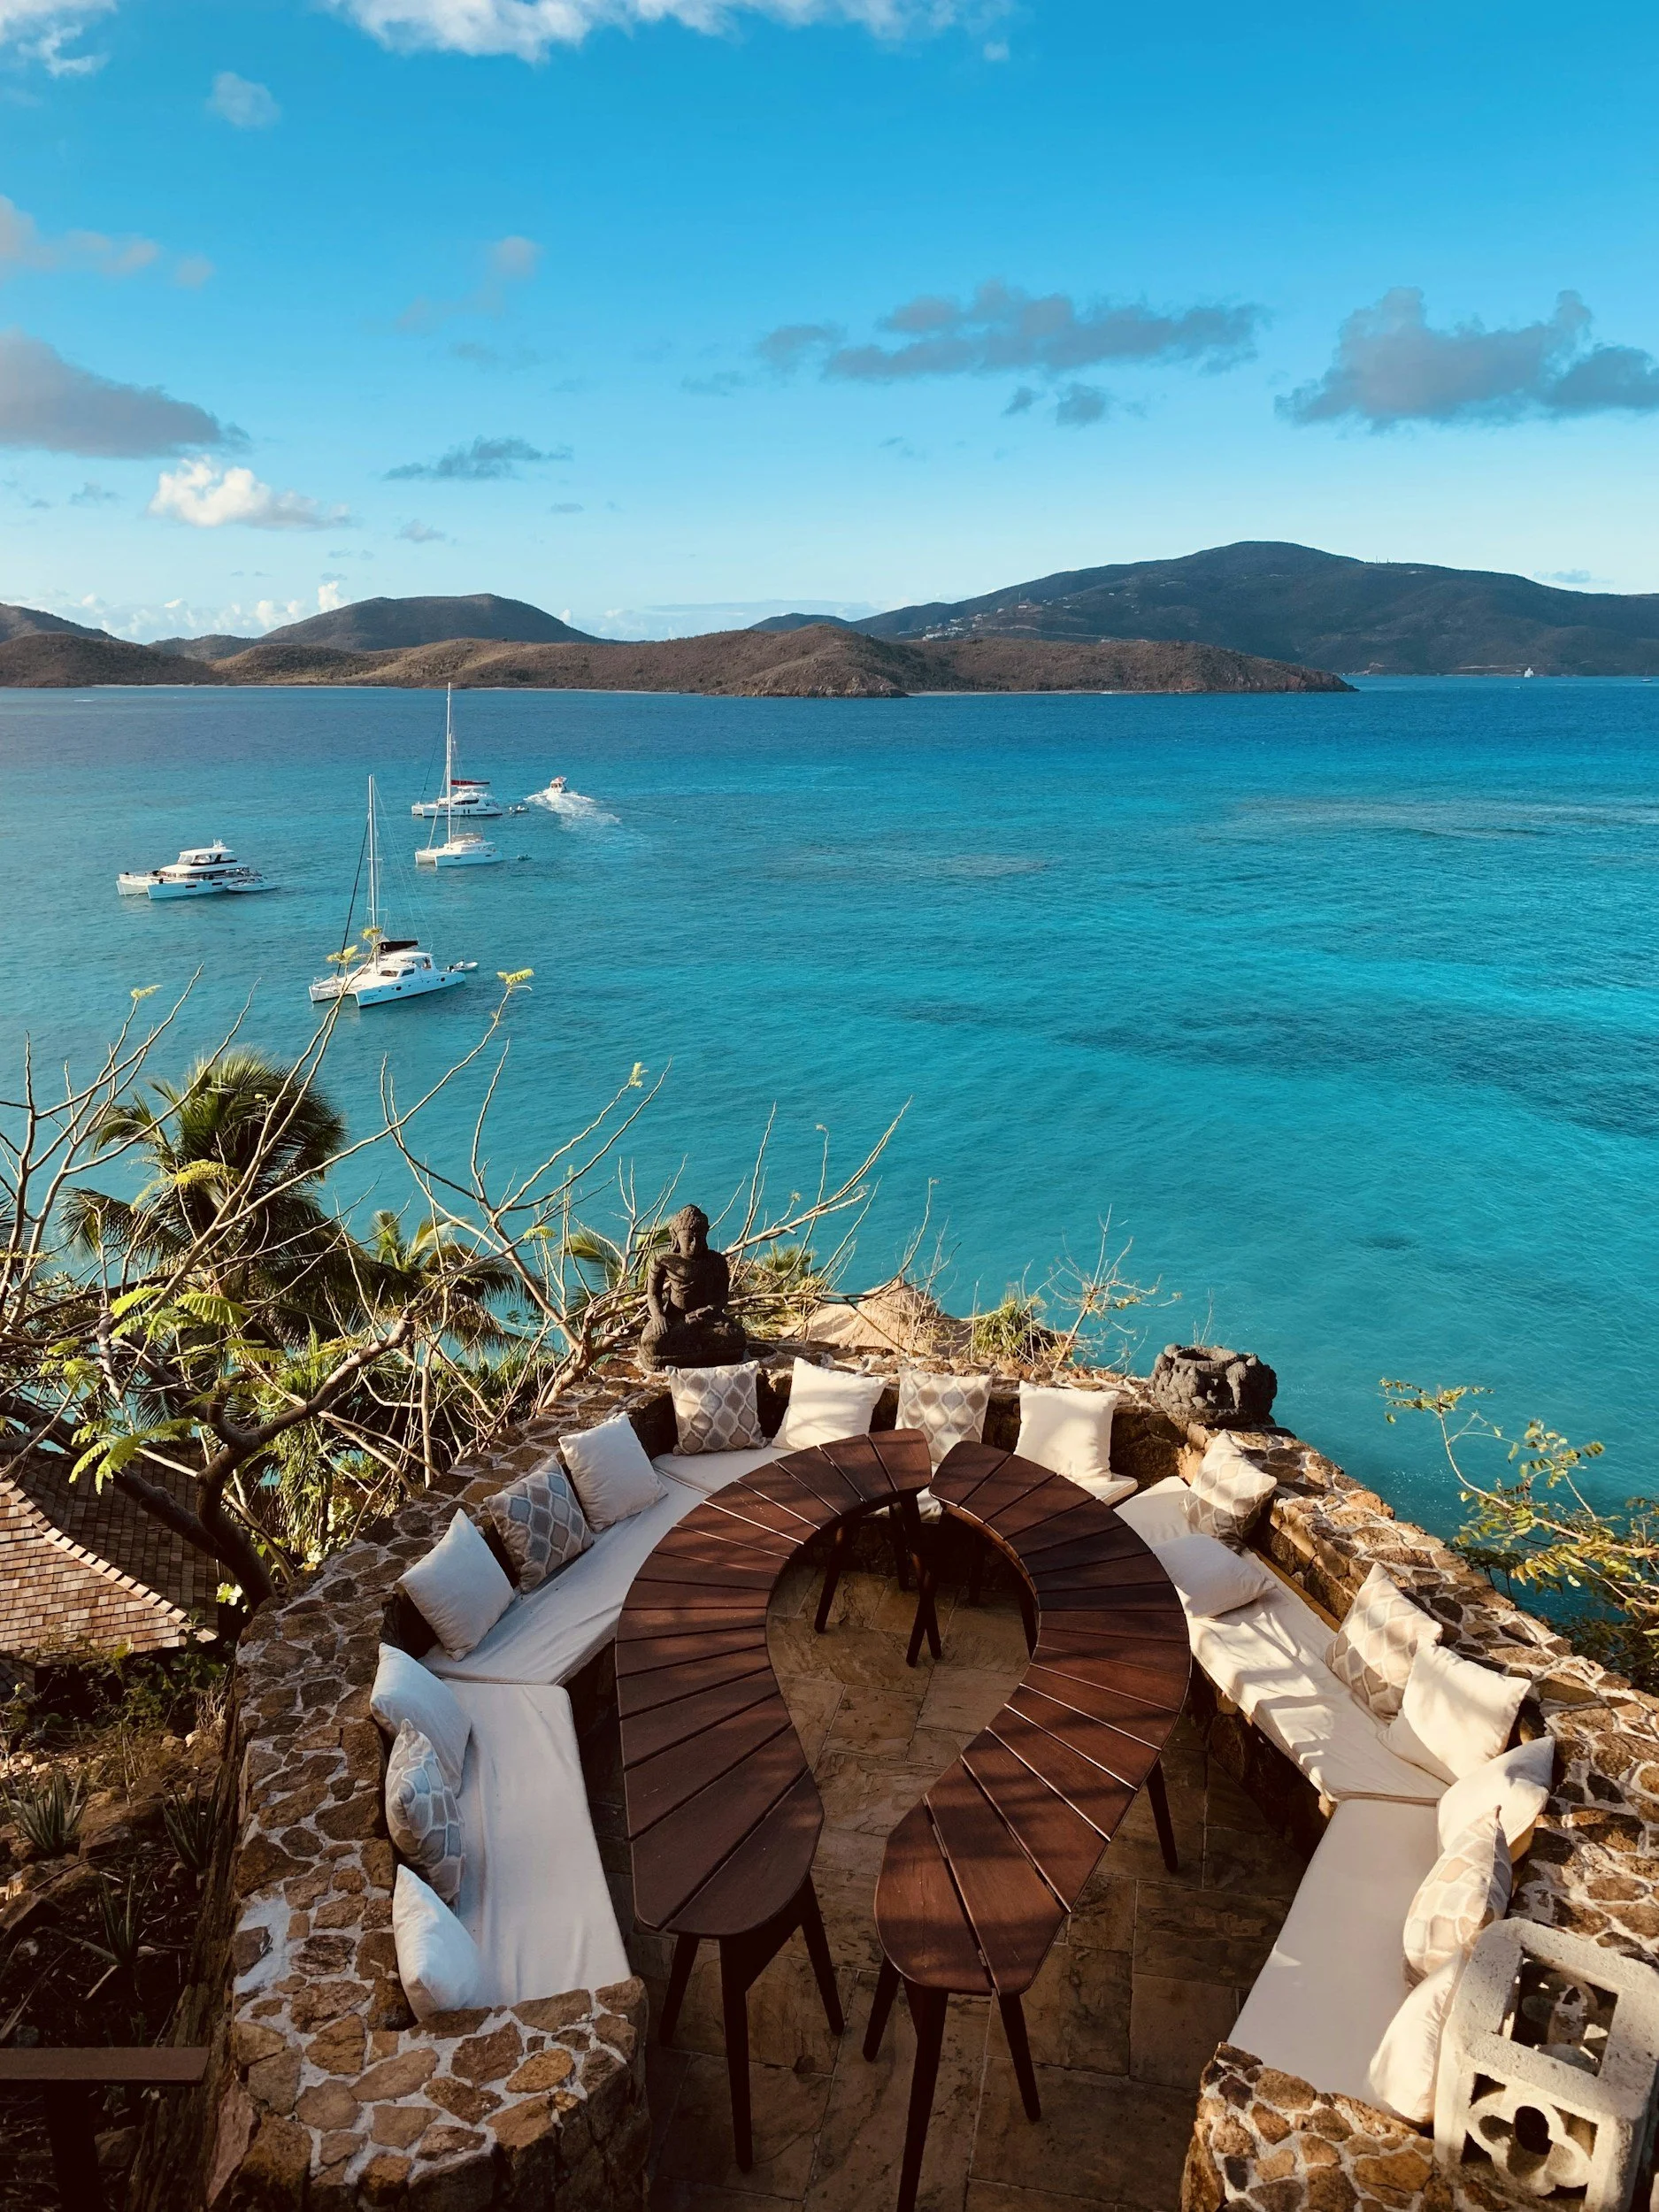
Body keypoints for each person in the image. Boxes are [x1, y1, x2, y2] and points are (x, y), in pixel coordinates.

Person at [640, 1203, 747, 1369]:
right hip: (675, 1318)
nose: (695, 1244)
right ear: (675, 1236)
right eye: (688, 1239)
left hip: (708, 1319)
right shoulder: (663, 1261)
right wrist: (658, 1316)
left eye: (699, 1238)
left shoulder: (716, 1260)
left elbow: (722, 1298)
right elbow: (653, 1294)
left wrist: (707, 1311)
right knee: (653, 1344)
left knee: (736, 1336)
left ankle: (692, 1351)